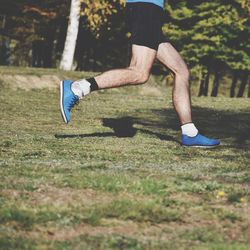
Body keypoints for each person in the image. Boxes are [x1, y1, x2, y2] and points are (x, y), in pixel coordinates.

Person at [60, 0, 220, 148]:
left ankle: (190, 133)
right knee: (139, 72)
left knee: (181, 71)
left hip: (150, 11)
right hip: (146, 10)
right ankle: (77, 88)